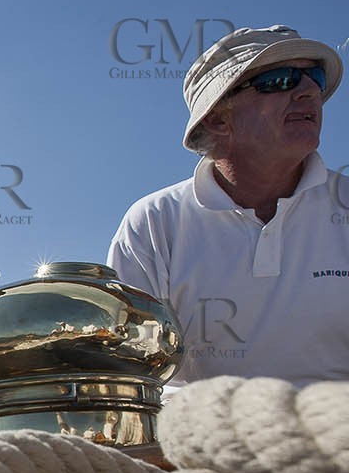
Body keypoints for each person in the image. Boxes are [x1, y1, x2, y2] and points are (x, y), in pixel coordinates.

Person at [108, 25, 347, 385]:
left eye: (313, 77)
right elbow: (131, 372)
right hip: (204, 436)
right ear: (219, 119)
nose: (309, 91)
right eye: (282, 79)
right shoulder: (155, 223)